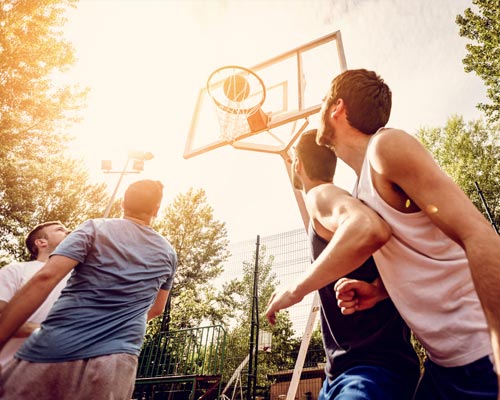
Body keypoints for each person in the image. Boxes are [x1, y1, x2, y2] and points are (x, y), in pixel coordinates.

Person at [315, 68, 498, 399]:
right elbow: (430, 251)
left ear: (337, 108)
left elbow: (479, 236)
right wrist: (379, 290)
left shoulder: (386, 147)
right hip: (443, 367)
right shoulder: (360, 189)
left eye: (321, 102)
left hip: (483, 359)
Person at [0, 179, 177, 400]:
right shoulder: (168, 253)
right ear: (156, 210)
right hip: (116, 360)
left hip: (55, 346)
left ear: (123, 203)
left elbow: (46, 277)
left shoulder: (94, 228)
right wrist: (116, 328)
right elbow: (157, 309)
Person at [289, 129, 420, 399]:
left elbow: (367, 226)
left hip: (370, 370)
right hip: (344, 372)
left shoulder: (321, 195)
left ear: (298, 164)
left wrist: (295, 289)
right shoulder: (333, 204)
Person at [0, 221, 70, 367]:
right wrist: (43, 330)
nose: (69, 231)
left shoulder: (80, 278)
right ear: (41, 242)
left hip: (56, 375)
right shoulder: (15, 271)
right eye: (60, 229)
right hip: (7, 370)